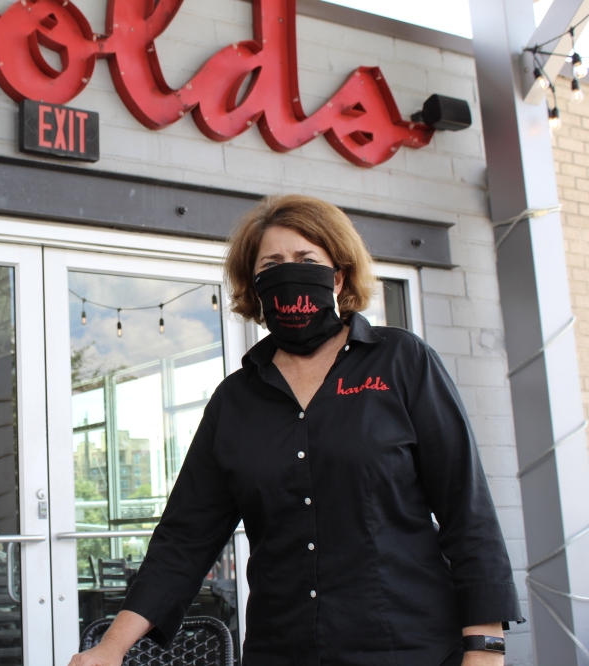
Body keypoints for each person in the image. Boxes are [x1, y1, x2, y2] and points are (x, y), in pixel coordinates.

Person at [68, 195, 522, 666]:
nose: (290, 272)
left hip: (408, 648)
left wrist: (485, 648)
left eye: (306, 259)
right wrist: (111, 648)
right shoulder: (234, 402)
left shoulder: (403, 361)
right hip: (281, 650)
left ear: (339, 275)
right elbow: (184, 539)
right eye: (272, 264)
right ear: (256, 286)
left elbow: (466, 510)